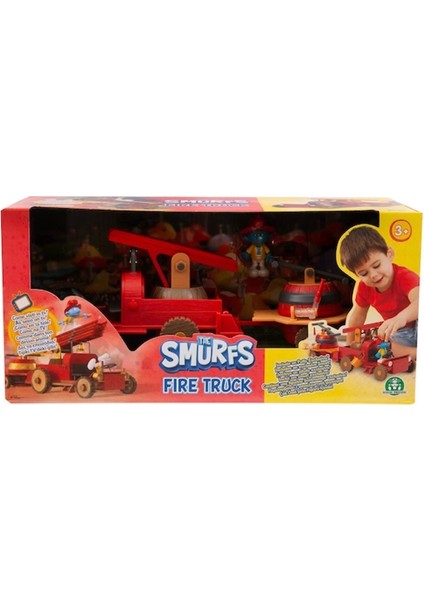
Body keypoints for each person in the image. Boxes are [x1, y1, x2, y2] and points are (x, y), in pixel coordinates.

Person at [339, 225, 419, 359]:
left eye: (376, 265)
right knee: (385, 346)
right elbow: (357, 317)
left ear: (389, 254)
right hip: (400, 333)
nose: (374, 275)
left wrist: (401, 318)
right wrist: (350, 345)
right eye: (364, 273)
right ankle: (416, 353)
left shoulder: (404, 276)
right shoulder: (364, 288)